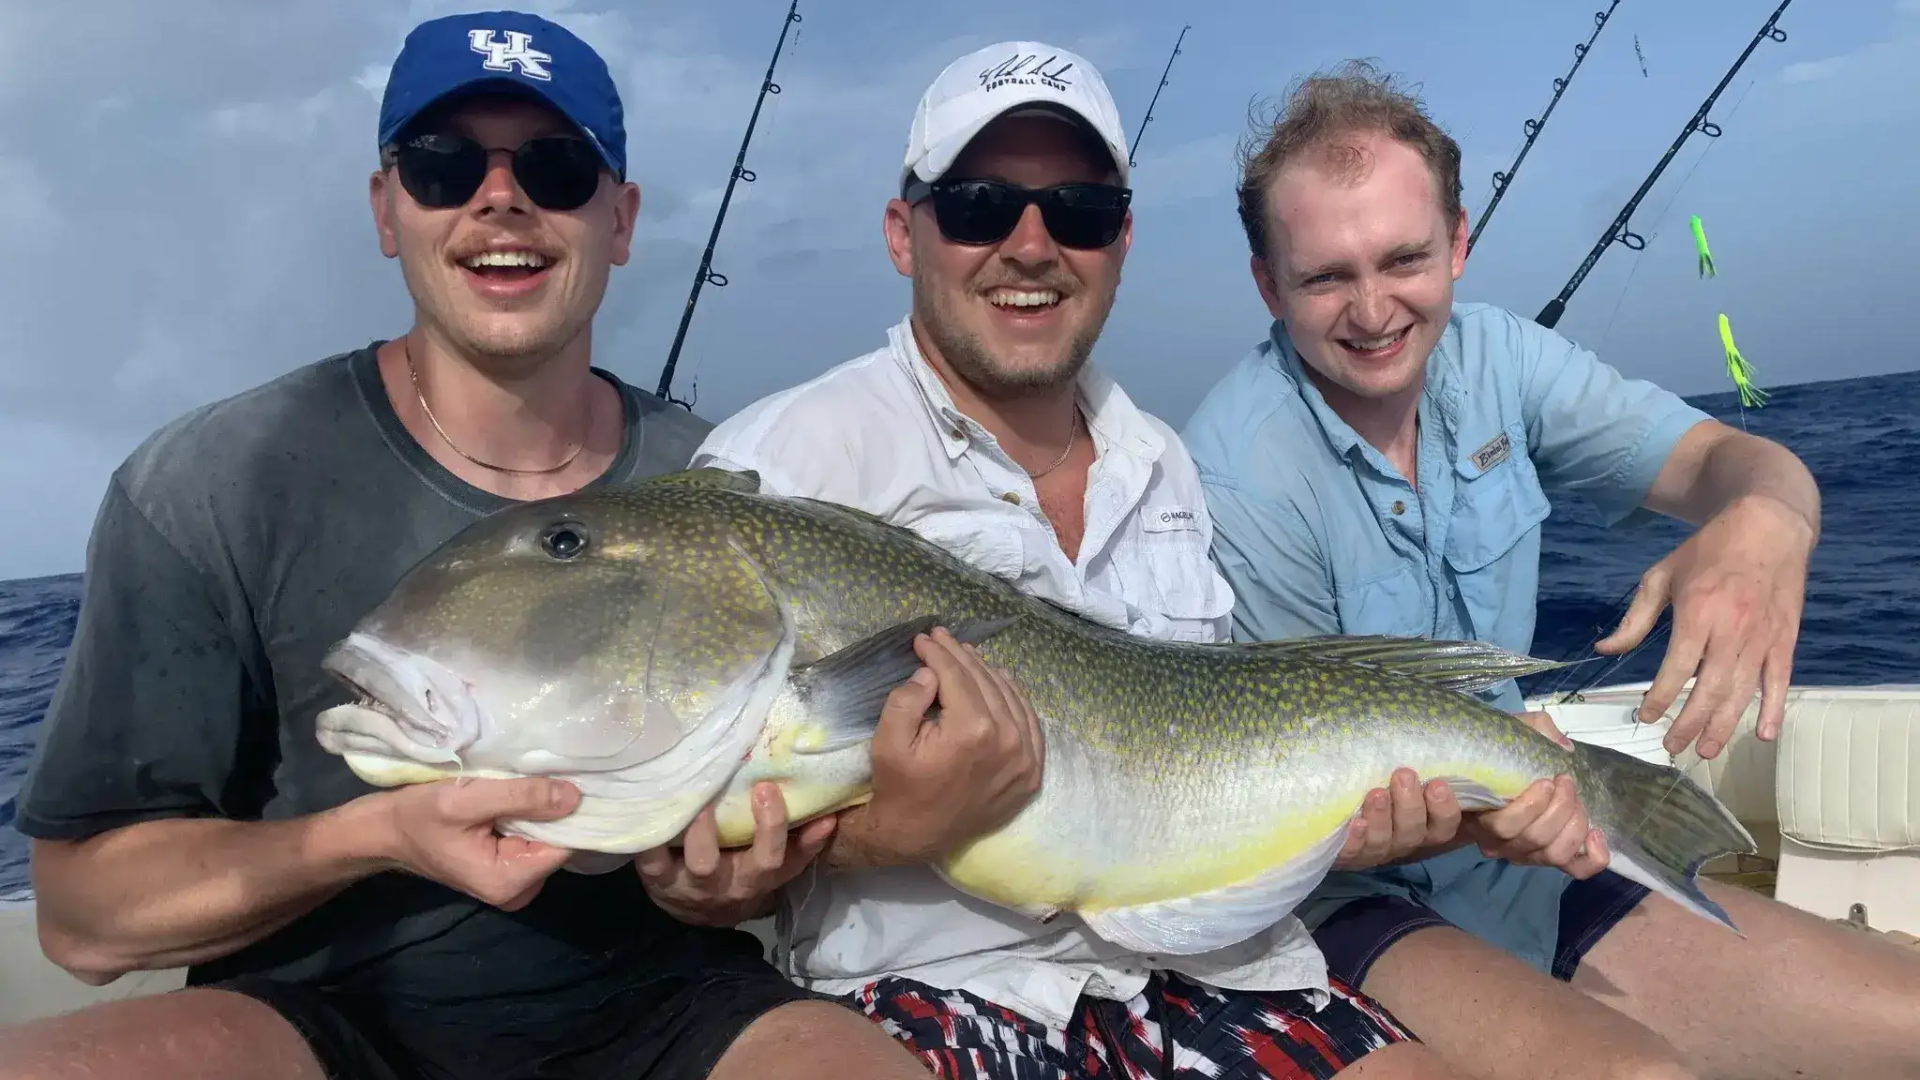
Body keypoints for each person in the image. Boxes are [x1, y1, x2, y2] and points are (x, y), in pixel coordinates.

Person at [0, 12, 960, 1080]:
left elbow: (802, 788)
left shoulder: (728, 478)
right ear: (385, 208)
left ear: (623, 219)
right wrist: (370, 836)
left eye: (555, 168)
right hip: (308, 1009)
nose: (499, 199)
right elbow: (84, 920)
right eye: (443, 164)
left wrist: (742, 880)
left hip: (677, 1004)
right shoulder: (215, 481)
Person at [686, 40, 1469, 1080]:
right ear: (900, 231)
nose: (1031, 243)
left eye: (1079, 212)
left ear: (1122, 240)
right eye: (977, 204)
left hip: (1221, 976)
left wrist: (1346, 828)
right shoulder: (777, 468)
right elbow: (700, 843)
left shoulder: (1166, 464)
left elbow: (1198, 757)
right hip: (936, 994)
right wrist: (876, 831)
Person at [1181, 59, 1920, 1080]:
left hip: (1539, 851)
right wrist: (1491, 813)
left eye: (1404, 259)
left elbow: (1723, 460)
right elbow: (1292, 822)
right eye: (1325, 277)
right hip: (1350, 907)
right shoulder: (1235, 476)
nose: (1372, 308)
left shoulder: (1504, 363)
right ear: (1268, 284)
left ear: (1460, 243)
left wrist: (1767, 521)